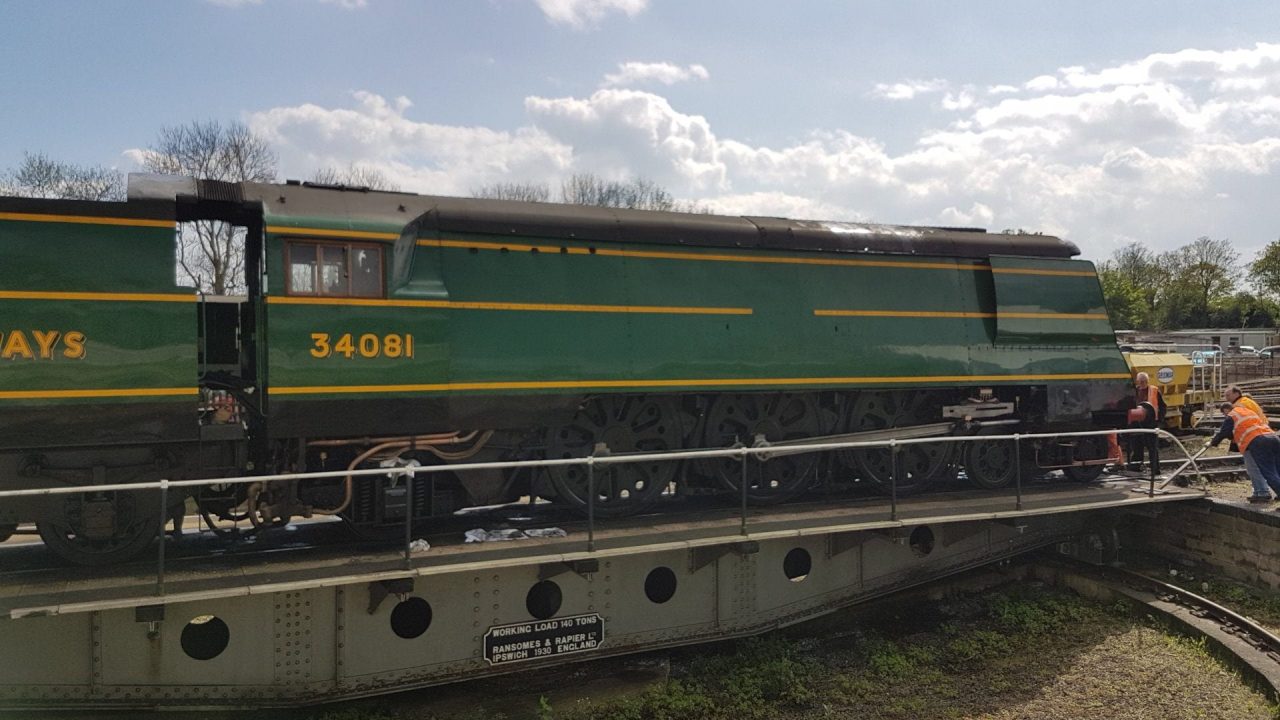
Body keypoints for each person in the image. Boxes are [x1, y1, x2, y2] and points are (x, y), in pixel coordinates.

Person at [1210, 401, 1280, 503]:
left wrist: (1213, 442)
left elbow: (1224, 432)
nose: (1225, 416)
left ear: (1226, 410)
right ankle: (1266, 493)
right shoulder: (1247, 411)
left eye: (1224, 414)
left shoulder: (1232, 415)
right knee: (1277, 469)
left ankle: (1264, 493)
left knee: (1268, 472)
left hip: (1257, 441)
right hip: (1273, 437)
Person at [1126, 371, 1165, 473]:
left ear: (1147, 381)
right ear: (1137, 381)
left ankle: (1155, 469)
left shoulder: (1154, 391)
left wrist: (1159, 421)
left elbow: (1162, 406)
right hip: (1137, 424)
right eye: (1141, 381)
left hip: (1151, 424)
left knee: (1152, 447)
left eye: (1144, 381)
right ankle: (1136, 467)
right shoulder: (1134, 392)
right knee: (1137, 446)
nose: (1143, 383)